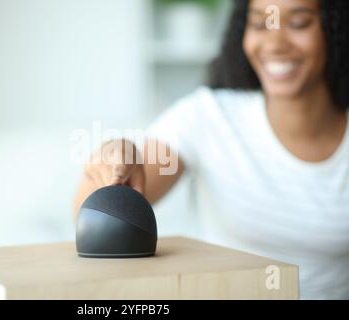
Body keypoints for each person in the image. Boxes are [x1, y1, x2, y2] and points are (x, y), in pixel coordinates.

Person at [74, 0, 349, 299]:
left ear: (335, 31)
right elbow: (96, 215)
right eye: (259, 24)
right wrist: (112, 161)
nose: (275, 42)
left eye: (298, 23)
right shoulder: (207, 117)